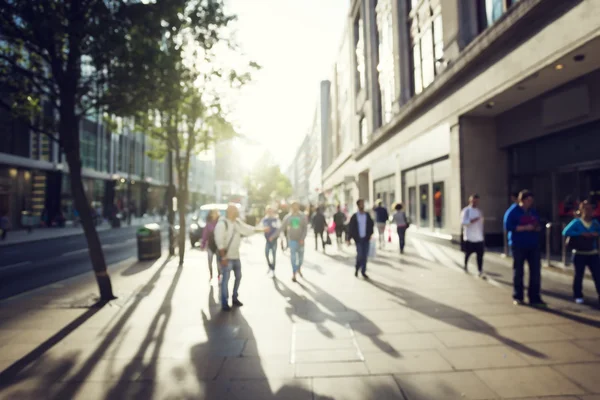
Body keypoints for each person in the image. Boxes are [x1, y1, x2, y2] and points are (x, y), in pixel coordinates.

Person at [214, 204, 267, 311]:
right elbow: (219, 242)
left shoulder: (237, 222)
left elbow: (247, 230)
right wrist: (223, 257)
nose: (237, 212)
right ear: (230, 211)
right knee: (226, 280)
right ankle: (224, 302)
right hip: (226, 257)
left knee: (238, 276)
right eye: (235, 210)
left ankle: (234, 297)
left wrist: (261, 230)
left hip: (235, 256)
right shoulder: (222, 224)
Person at [503, 190, 546, 307]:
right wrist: (524, 227)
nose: (530, 203)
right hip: (518, 245)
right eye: (528, 200)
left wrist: (536, 228)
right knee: (519, 271)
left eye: (531, 201)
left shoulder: (532, 211)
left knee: (536, 271)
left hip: (533, 244)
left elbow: (537, 223)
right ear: (521, 200)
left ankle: (535, 297)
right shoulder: (512, 211)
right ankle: (518, 296)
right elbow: (508, 226)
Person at [562, 200, 600, 305]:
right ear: (581, 210)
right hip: (579, 252)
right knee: (579, 275)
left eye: (590, 209)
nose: (589, 212)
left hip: (592, 252)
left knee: (597, 275)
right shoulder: (576, 222)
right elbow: (565, 231)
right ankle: (578, 295)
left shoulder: (595, 223)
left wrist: (595, 234)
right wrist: (581, 233)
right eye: (586, 209)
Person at [277, 201, 308, 282]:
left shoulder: (303, 216)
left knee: (300, 258)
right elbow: (282, 227)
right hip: (292, 240)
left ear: (298, 206)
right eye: (293, 206)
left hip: (301, 241)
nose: (295, 207)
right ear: (291, 207)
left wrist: (302, 238)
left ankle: (298, 268)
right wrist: (274, 236)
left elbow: (305, 228)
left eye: (296, 206)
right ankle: (294, 273)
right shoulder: (288, 217)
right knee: (293, 258)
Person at [347, 199, 374, 279]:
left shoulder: (367, 215)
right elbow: (351, 228)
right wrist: (348, 238)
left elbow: (371, 225)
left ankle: (363, 271)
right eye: (361, 204)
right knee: (360, 255)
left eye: (363, 204)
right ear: (358, 205)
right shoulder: (355, 216)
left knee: (365, 256)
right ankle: (357, 268)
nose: (363, 205)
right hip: (358, 239)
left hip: (366, 239)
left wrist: (370, 234)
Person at [461, 194, 485, 277]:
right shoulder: (466, 210)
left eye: (476, 201)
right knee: (468, 254)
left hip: (479, 238)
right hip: (469, 237)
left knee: (480, 256)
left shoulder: (479, 211)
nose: (475, 202)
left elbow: (481, 224)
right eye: (473, 201)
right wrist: (473, 220)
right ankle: (465, 266)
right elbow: (464, 222)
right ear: (470, 201)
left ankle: (480, 270)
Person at [200, 209, 221, 281]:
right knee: (210, 261)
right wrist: (202, 244)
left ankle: (219, 275)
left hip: (218, 245)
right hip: (210, 245)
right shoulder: (208, 224)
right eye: (213, 213)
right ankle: (211, 275)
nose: (215, 214)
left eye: (216, 213)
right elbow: (204, 235)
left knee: (218, 263)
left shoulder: (220, 223)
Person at [261, 206, 280, 276]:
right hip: (267, 240)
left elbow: (279, 229)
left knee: (274, 255)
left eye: (270, 211)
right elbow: (261, 227)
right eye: (268, 211)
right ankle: (270, 266)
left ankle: (273, 269)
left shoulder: (276, 219)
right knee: (266, 254)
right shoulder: (264, 220)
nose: (269, 212)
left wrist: (273, 236)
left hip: (274, 240)